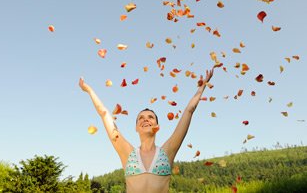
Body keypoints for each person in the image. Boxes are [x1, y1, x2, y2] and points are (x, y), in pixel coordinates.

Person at [79, 68, 214, 193]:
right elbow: (104, 113)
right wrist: (89, 90)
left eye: (151, 117)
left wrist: (202, 87)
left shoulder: (167, 152)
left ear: (157, 126)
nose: (146, 119)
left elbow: (189, 111)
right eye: (141, 118)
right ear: (136, 128)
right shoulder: (128, 153)